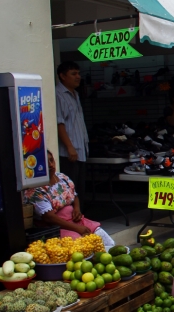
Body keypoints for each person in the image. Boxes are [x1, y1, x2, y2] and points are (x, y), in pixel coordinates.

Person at [23, 150, 114, 248]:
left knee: (106, 241)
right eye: (45, 162)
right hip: (56, 227)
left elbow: (74, 195)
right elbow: (49, 218)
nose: (50, 165)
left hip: (75, 221)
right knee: (81, 246)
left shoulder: (62, 177)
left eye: (51, 160)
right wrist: (77, 228)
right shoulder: (35, 189)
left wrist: (77, 209)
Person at [55, 61, 89, 205]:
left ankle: (80, 217)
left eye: (78, 73)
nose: (78, 77)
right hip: (68, 152)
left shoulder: (75, 94)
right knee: (70, 189)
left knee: (80, 188)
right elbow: (59, 123)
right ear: (62, 76)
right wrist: (69, 147)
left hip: (80, 150)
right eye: (73, 74)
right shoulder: (58, 94)